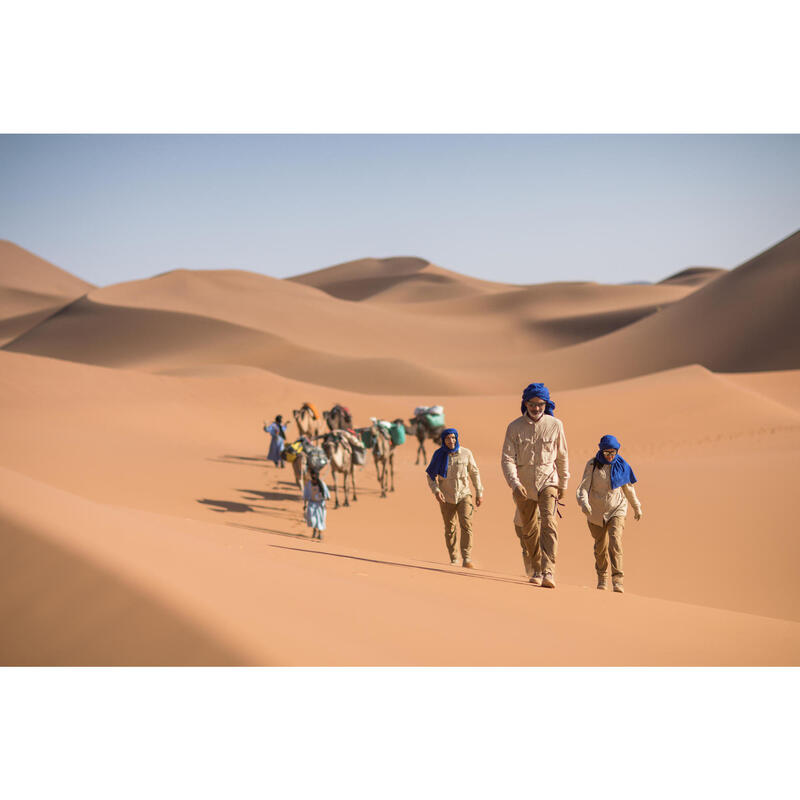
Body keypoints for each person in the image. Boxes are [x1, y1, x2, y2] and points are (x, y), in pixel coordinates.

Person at [501, 383, 569, 588]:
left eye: (540, 404)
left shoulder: (556, 424)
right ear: (525, 403)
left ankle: (549, 571)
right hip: (523, 485)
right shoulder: (514, 427)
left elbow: (562, 456)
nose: (536, 408)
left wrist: (563, 483)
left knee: (549, 523)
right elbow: (507, 459)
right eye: (532, 404)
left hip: (548, 481)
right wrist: (514, 483)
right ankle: (537, 569)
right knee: (529, 529)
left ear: (545, 404)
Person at [576, 434, 642, 593]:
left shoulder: (621, 465)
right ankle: (602, 577)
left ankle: (618, 580)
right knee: (600, 547)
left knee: (615, 541)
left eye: (613, 452)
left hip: (617, 508)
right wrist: (583, 502)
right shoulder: (592, 465)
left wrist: (636, 506)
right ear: (601, 451)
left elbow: (628, 489)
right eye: (607, 453)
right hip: (596, 511)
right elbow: (583, 488)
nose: (610, 456)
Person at [426, 427, 483, 568]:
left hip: (464, 495)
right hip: (446, 498)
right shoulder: (439, 455)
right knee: (450, 528)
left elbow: (474, 473)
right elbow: (430, 476)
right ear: (443, 440)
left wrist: (479, 492)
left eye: (453, 438)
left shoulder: (466, 453)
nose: (451, 441)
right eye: (448, 438)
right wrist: (436, 491)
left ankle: (467, 557)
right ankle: (453, 557)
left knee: (466, 524)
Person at [303, 469, 331, 540]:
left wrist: (325, 502)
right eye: (312, 474)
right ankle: (314, 530)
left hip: (320, 504)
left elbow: (326, 495)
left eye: (315, 474)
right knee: (312, 519)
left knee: (321, 519)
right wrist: (305, 504)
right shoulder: (308, 484)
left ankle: (320, 533)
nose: (313, 476)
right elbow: (306, 495)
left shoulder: (322, 483)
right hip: (312, 503)